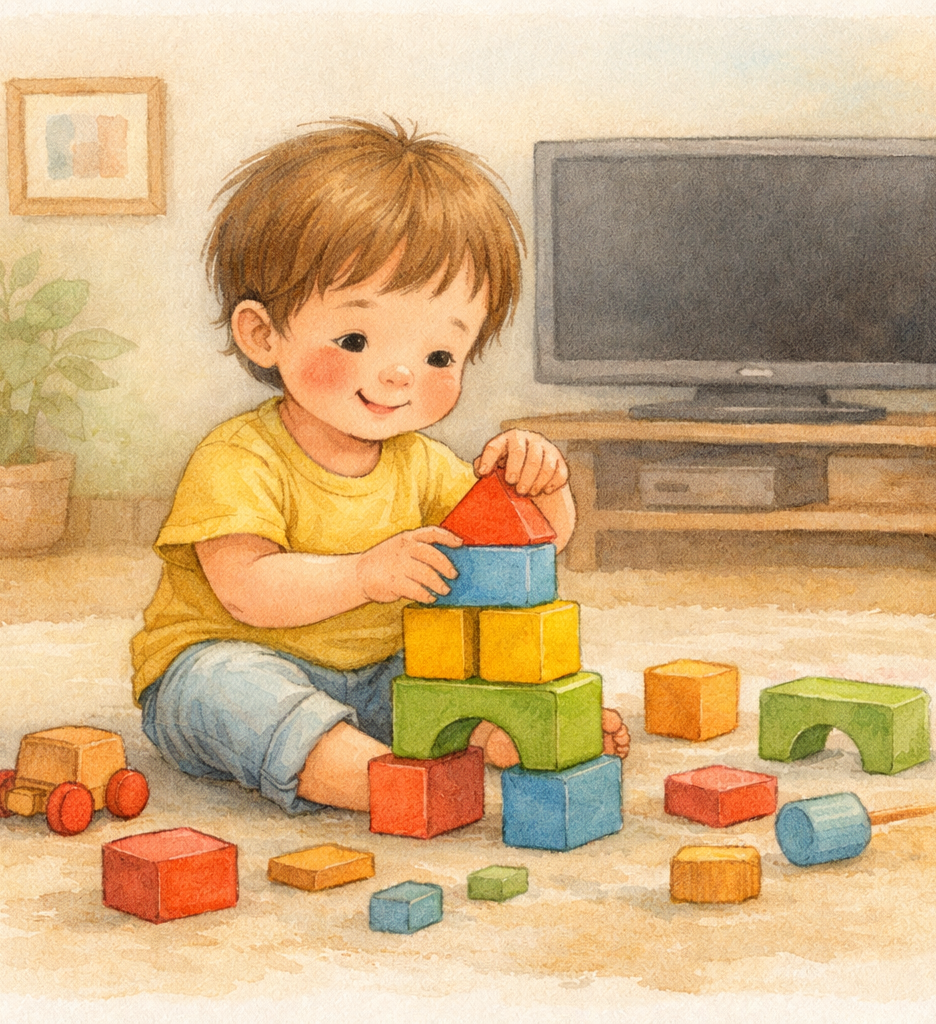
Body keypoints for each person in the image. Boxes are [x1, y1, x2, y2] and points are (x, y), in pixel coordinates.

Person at [130, 117, 630, 815]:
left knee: (468, 657)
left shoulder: (423, 463)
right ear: (263, 334)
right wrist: (366, 573)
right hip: (238, 653)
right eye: (357, 337)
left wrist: (543, 491)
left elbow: (521, 553)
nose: (399, 375)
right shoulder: (240, 455)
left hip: (387, 674)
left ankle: (490, 730)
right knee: (224, 689)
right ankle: (380, 779)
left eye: (439, 356)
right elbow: (247, 590)